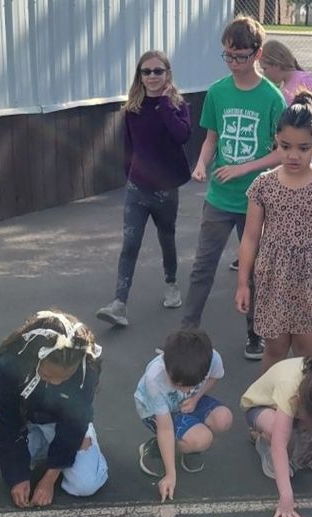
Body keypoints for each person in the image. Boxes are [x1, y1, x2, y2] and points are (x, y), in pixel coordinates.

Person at [180, 15, 286, 361]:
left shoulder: (272, 97)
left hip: (256, 201)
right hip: (219, 198)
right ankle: (187, 332)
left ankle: (255, 333)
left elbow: (282, 151)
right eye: (228, 55)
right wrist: (201, 163)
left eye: (240, 56)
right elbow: (212, 138)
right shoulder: (217, 92)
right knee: (202, 267)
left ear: (257, 54)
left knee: (255, 269)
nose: (234, 62)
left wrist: (244, 168)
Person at [0, 309, 108, 508]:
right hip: (24, 417)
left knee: (85, 486)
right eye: (48, 376)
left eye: (65, 378)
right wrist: (17, 476)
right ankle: (36, 449)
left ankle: (61, 450)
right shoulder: (11, 363)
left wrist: (48, 480)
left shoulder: (86, 368)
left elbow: (72, 426)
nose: (56, 383)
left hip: (63, 424)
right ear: (35, 358)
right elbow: (6, 419)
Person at [235, 91, 312, 371]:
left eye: (303, 148)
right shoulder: (263, 185)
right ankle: (268, 407)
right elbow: (249, 237)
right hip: (273, 278)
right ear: (276, 142)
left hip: (310, 281)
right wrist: (243, 283)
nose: (293, 155)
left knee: (307, 352)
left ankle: (302, 406)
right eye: (285, 146)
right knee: (275, 348)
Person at [96, 50, 192, 329]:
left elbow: (182, 136)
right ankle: (119, 304)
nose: (151, 77)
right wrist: (130, 175)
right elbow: (128, 147)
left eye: (157, 71)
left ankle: (171, 284)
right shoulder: (132, 108)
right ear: (139, 76)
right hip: (137, 189)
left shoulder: (176, 105)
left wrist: (163, 103)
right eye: (146, 72)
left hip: (165, 189)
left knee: (166, 238)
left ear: (167, 74)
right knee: (130, 244)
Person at [239, 355, 312, 517]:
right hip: (261, 407)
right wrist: (286, 497)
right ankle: (262, 443)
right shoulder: (289, 388)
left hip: (297, 409)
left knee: (310, 440)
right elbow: (279, 446)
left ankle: (302, 441)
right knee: (279, 431)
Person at [134, 328, 233, 501]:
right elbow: (165, 428)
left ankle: (187, 443)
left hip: (188, 402)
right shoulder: (154, 379)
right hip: (154, 412)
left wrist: (196, 397)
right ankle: (156, 447)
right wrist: (170, 475)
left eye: (189, 384)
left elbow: (214, 377)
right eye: (176, 384)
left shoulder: (211, 358)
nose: (183, 389)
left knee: (224, 419)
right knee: (202, 439)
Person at [257, 40, 312, 171]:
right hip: (292, 151)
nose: (265, 73)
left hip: (307, 151)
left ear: (276, 64)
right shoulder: (284, 84)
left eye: (265, 68)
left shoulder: (301, 80)